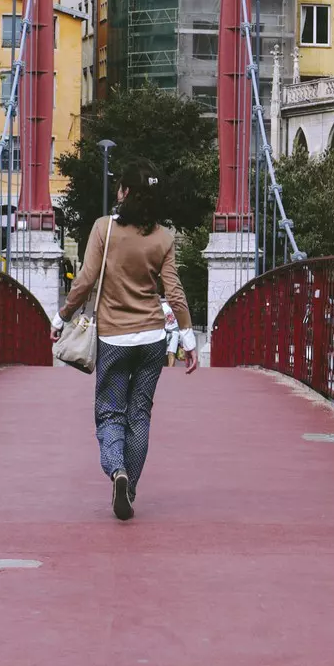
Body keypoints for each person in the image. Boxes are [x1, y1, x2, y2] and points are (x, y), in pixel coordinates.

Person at [54, 166, 198, 519]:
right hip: (152, 339)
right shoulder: (163, 237)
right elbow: (174, 293)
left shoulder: (104, 228)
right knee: (140, 415)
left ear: (124, 193)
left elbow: (86, 280)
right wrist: (188, 338)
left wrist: (62, 317)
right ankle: (130, 485)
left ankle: (116, 470)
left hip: (114, 339)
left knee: (110, 413)